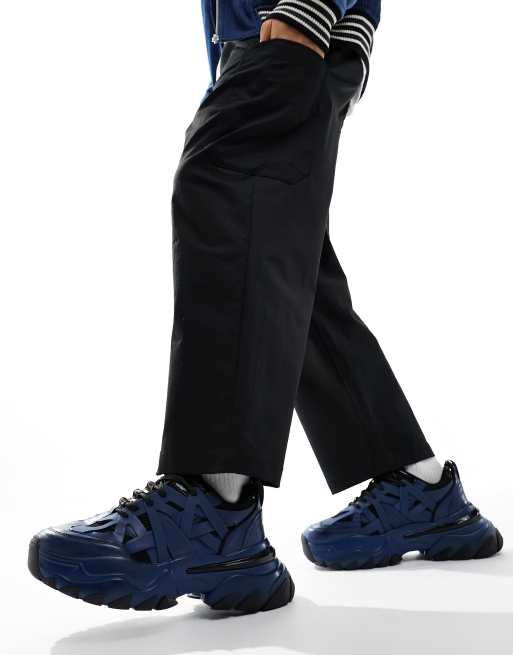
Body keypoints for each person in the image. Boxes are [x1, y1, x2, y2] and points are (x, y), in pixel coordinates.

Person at [28, 0, 502, 614]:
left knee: (229, 205)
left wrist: (311, 8)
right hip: (276, 33)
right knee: (279, 256)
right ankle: (420, 485)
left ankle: (214, 509)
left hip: (290, 23)